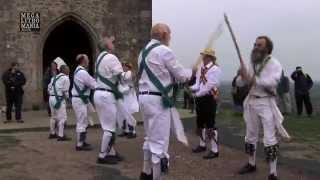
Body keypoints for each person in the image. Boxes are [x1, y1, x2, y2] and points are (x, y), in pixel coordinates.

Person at [138, 23, 195, 180]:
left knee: (149, 138)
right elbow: (182, 76)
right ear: (163, 34)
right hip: (157, 101)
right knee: (160, 145)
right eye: (169, 34)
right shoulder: (164, 51)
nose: (170, 37)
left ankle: (146, 173)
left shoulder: (142, 52)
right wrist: (192, 71)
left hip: (144, 98)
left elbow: (163, 75)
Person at [237, 36, 290, 180]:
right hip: (252, 102)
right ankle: (251, 163)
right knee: (250, 135)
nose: (255, 47)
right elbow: (241, 83)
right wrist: (242, 76)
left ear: (267, 48)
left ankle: (273, 173)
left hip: (266, 103)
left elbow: (273, 81)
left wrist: (254, 79)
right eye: (255, 44)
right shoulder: (251, 63)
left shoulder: (274, 64)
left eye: (259, 45)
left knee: (269, 138)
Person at [94, 36, 132, 164]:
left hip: (99, 94)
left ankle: (111, 152)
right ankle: (102, 155)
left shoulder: (99, 58)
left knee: (107, 126)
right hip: (107, 95)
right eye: (111, 42)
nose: (113, 43)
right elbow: (121, 78)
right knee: (109, 127)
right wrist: (130, 74)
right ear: (107, 46)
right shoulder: (111, 57)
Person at [190, 48, 221, 159]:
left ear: (211, 58)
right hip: (200, 98)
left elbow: (210, 86)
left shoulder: (215, 69)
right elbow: (198, 84)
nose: (203, 58)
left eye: (206, 56)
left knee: (210, 124)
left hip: (209, 98)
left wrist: (197, 94)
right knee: (200, 123)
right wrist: (190, 88)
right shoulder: (200, 68)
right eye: (203, 56)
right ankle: (202, 145)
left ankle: (215, 150)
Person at [71, 54, 97, 151]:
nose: (89, 61)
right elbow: (92, 84)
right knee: (82, 121)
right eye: (87, 60)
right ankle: (79, 144)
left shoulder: (79, 71)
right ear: (83, 61)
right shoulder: (82, 72)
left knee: (84, 120)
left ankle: (82, 141)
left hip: (80, 99)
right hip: (79, 99)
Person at [48, 65, 71, 141]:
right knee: (63, 118)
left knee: (53, 116)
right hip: (59, 99)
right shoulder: (66, 78)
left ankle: (52, 133)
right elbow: (65, 92)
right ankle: (61, 135)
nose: (69, 71)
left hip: (51, 98)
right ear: (64, 70)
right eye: (68, 69)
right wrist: (68, 100)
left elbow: (48, 89)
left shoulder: (53, 78)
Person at [117, 61, 139, 138]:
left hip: (129, 95)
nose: (123, 67)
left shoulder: (129, 73)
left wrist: (120, 74)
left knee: (128, 112)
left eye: (124, 66)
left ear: (127, 67)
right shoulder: (124, 73)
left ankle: (132, 131)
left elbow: (126, 78)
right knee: (123, 112)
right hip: (124, 95)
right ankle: (126, 130)